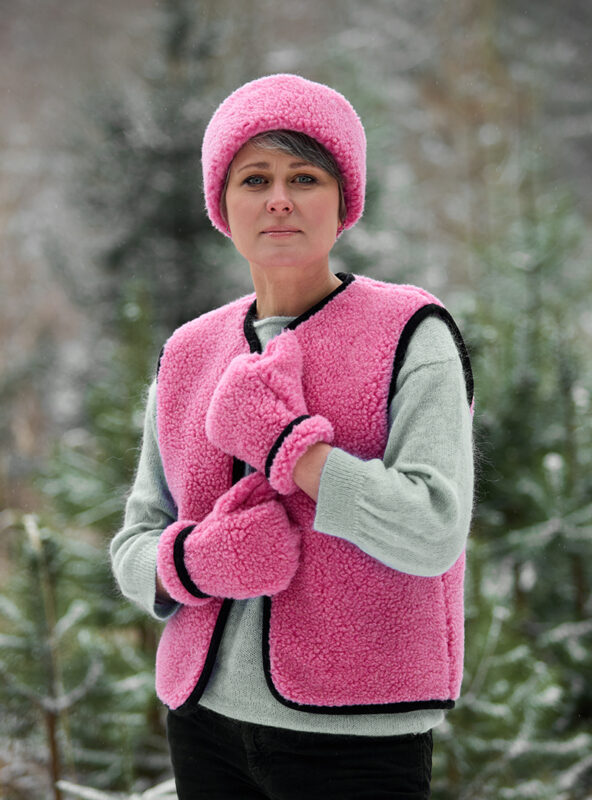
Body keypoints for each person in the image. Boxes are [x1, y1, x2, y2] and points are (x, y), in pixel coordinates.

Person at [110, 73, 474, 800]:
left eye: (304, 177)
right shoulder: (190, 351)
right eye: (255, 179)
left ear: (344, 201)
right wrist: (194, 562)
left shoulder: (411, 333)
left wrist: (292, 451)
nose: (279, 198)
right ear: (223, 205)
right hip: (203, 724)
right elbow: (135, 541)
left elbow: (434, 528)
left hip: (358, 736)